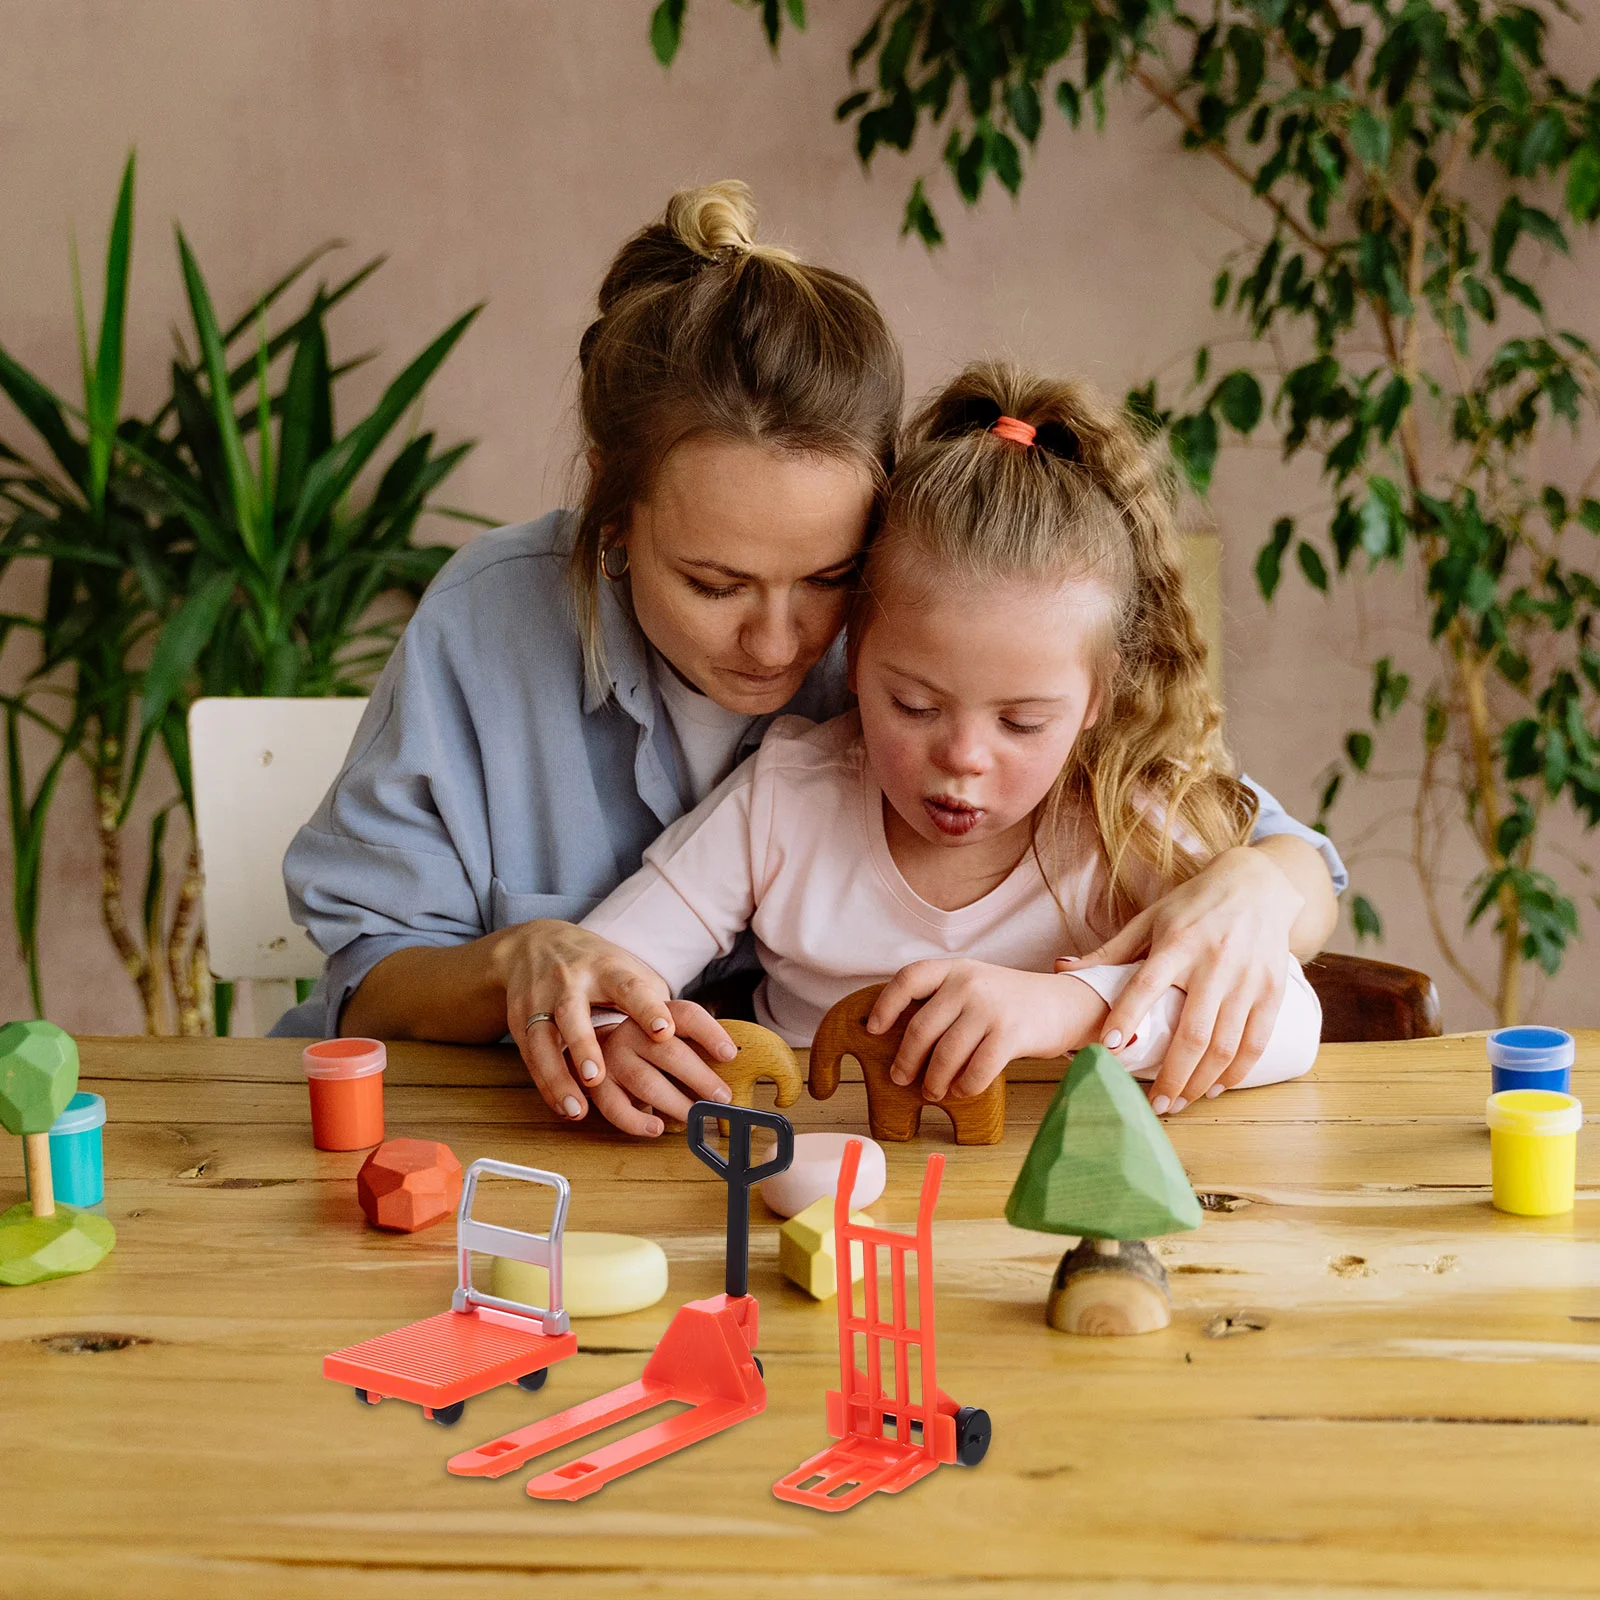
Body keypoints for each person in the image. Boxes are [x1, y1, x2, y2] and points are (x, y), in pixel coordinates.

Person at [277, 182, 1346, 1137]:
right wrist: (531, 970)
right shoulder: (492, 626)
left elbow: (1275, 860)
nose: (781, 642)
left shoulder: (931, 613)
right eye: (714, 582)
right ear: (613, 506)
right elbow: (371, 982)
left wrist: (1250, 888)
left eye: (828, 578)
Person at [578, 362, 1333, 1130]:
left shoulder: (1121, 819)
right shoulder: (785, 798)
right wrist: (616, 1033)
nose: (964, 757)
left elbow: (1291, 1028)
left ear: (1096, 702)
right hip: (820, 1207)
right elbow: (601, 971)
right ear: (854, 653)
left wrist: (1065, 1009)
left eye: (1022, 723)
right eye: (914, 705)